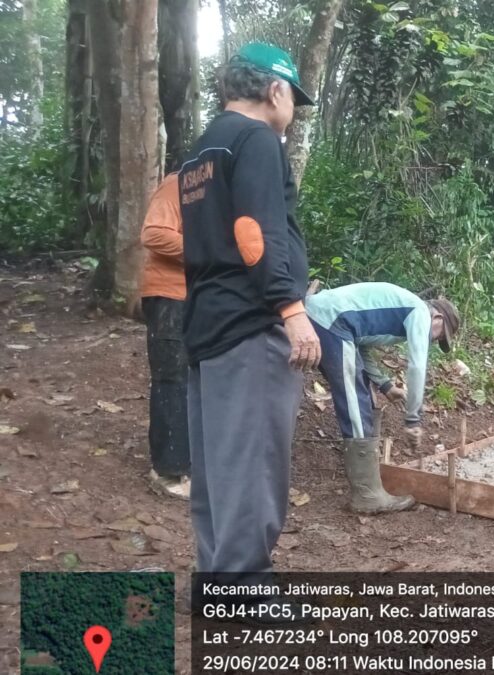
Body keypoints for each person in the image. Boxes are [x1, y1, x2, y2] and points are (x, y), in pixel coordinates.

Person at [179, 42, 320, 611]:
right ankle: (245, 590)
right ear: (276, 89)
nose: (293, 113)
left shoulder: (199, 151)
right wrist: (292, 311)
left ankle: (217, 581)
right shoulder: (258, 139)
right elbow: (258, 233)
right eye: (294, 101)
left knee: (218, 463)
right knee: (255, 458)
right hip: (249, 324)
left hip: (206, 321)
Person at [304, 282, 460, 514]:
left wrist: (386, 385)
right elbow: (417, 366)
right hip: (330, 320)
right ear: (437, 316)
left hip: (332, 321)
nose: (435, 341)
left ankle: (368, 488)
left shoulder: (398, 312)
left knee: (361, 394)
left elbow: (361, 345)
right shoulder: (419, 311)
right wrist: (413, 420)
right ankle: (367, 496)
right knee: (355, 403)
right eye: (440, 335)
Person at [139, 172, 191, 500]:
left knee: (197, 378)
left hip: (202, 300)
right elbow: (154, 233)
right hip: (169, 294)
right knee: (172, 377)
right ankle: (168, 470)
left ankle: (191, 459)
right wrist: (209, 252)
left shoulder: (226, 194)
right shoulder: (180, 184)